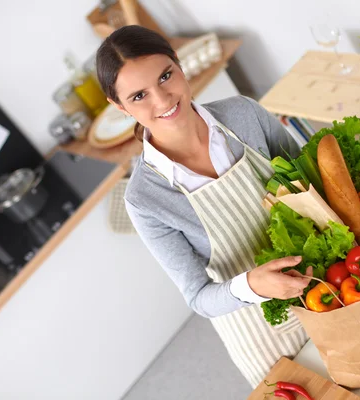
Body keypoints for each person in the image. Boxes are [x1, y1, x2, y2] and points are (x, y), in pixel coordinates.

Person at [96, 25, 313, 388]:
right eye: (138, 96)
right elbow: (198, 296)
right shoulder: (144, 199)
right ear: (119, 107)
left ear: (180, 65)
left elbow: (311, 179)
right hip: (262, 334)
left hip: (323, 277)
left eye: (166, 76)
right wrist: (253, 286)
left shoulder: (244, 114)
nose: (163, 100)